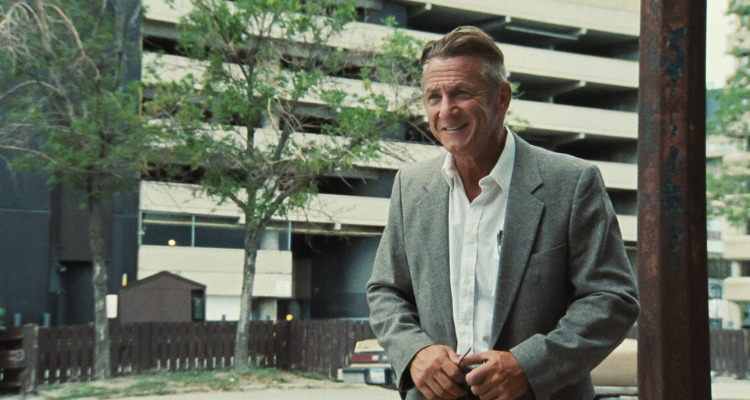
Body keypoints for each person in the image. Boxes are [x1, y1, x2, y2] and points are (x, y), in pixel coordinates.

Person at [366, 26, 640, 400]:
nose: (445, 110)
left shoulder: (572, 183)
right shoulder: (410, 187)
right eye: (433, 97)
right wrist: (414, 352)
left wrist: (529, 366)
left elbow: (612, 298)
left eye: (461, 93)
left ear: (501, 97)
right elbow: (385, 290)